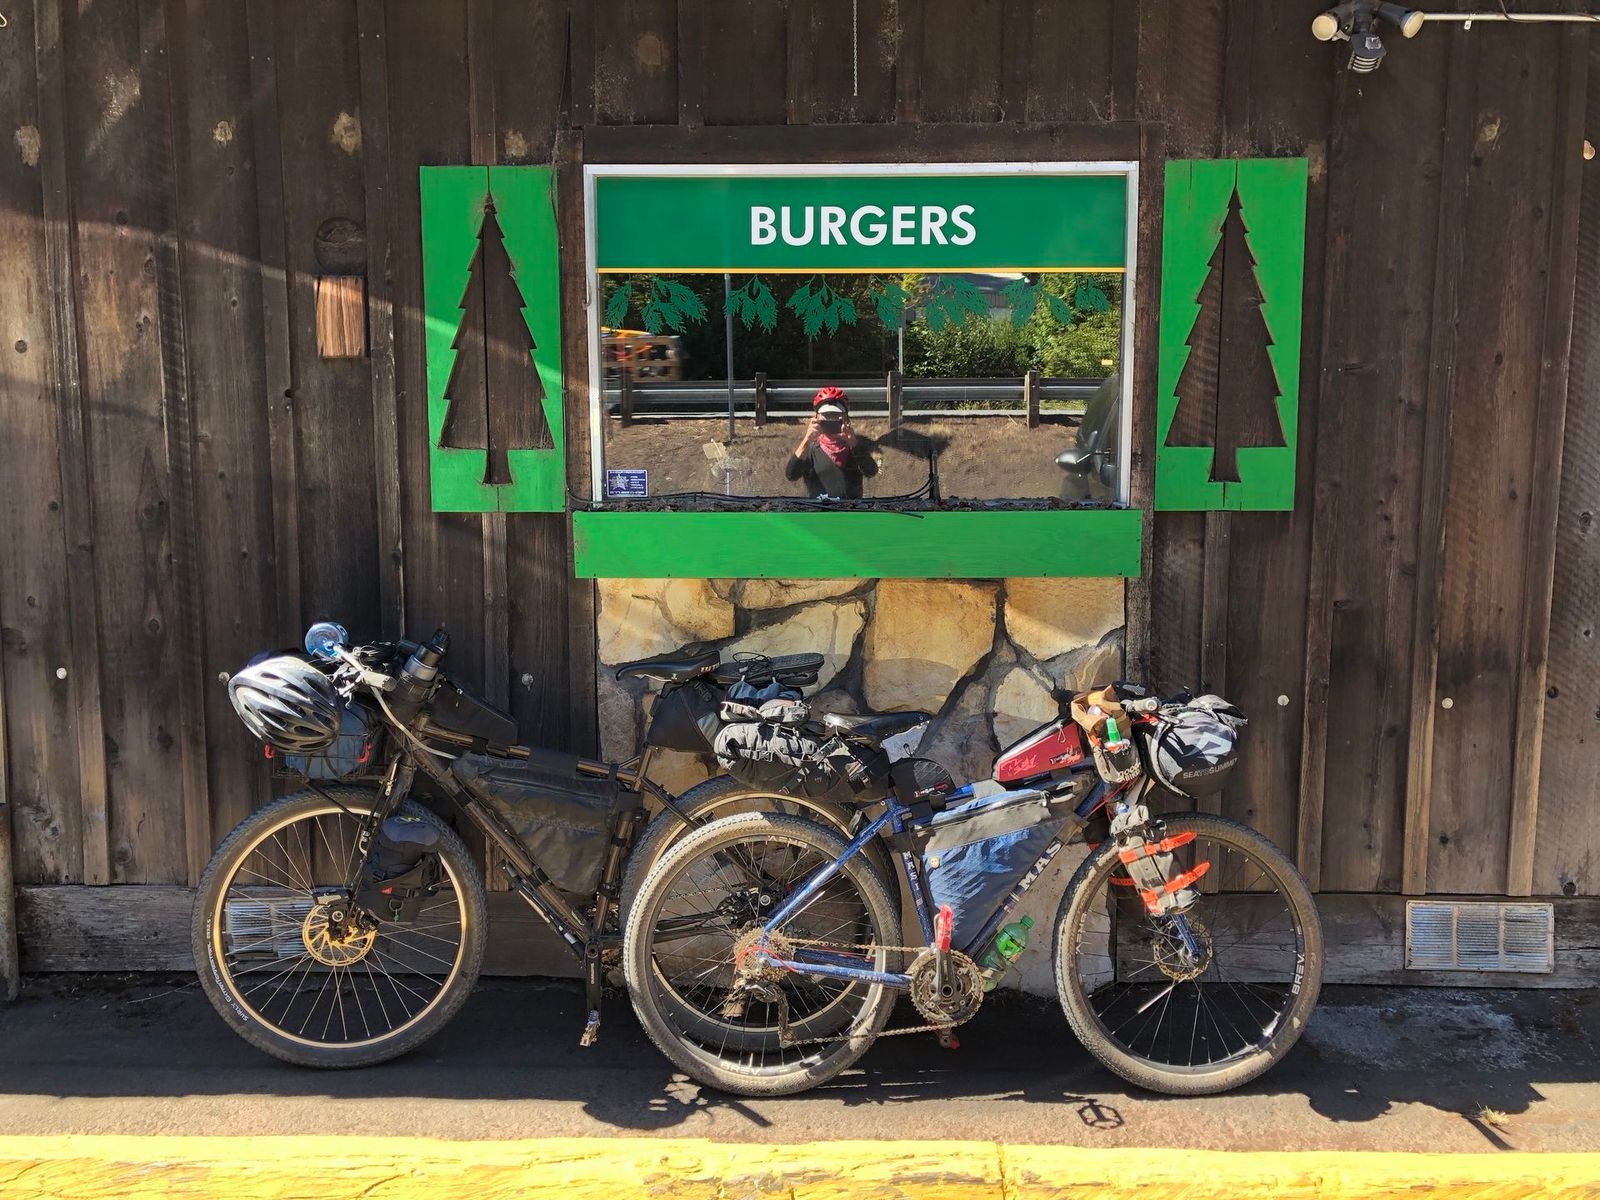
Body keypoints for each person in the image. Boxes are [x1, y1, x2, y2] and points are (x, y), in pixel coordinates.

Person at [784, 386, 879, 499]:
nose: (831, 420)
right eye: (826, 416)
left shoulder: (855, 446)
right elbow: (791, 475)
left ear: (846, 417)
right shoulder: (810, 449)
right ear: (816, 418)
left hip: (852, 509)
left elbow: (871, 471)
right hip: (818, 509)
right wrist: (807, 439)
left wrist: (853, 442)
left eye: (836, 416)